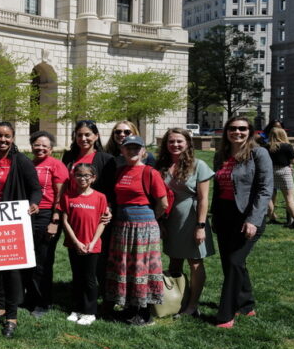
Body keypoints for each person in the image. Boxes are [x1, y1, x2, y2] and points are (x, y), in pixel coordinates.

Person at [0, 122, 41, 338]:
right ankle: (1, 305)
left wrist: (34, 203)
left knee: (11, 270)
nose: (2, 140)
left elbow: (35, 189)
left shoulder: (20, 161)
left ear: (12, 138)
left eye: (7, 136)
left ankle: (11, 316)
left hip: (12, 223)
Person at [211, 116, 273, 328]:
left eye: (242, 129)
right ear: (226, 132)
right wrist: (214, 217)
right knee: (231, 263)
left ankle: (226, 314)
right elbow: (217, 190)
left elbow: (265, 189)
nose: (237, 132)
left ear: (250, 131)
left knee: (236, 262)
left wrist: (253, 220)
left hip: (248, 216)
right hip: (224, 215)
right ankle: (246, 305)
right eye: (232, 128)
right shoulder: (221, 155)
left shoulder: (259, 154)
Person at [104, 135, 168, 327]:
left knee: (143, 269)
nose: (132, 151)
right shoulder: (120, 171)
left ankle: (145, 312)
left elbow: (163, 203)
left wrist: (148, 220)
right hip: (122, 226)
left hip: (144, 227)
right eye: (128, 148)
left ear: (142, 151)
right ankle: (130, 308)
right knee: (127, 267)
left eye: (136, 148)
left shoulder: (150, 172)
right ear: (122, 151)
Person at [155, 128, 215, 317]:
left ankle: (192, 304)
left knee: (195, 262)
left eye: (179, 141)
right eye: (171, 141)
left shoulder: (199, 165)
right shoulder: (161, 165)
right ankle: (176, 300)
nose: (175, 145)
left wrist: (200, 226)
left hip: (192, 219)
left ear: (188, 143)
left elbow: (204, 198)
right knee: (174, 262)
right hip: (170, 220)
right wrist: (161, 223)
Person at [58, 120, 115, 288]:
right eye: (79, 135)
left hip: (96, 214)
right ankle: (80, 292)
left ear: (96, 136)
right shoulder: (69, 156)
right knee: (76, 253)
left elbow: (110, 187)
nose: (83, 138)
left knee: (97, 257)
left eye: (87, 134)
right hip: (74, 212)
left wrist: (109, 208)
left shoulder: (105, 159)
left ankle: (100, 293)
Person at [25, 131, 69, 318]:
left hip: (47, 214)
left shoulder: (56, 165)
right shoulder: (29, 164)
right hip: (28, 214)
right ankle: (31, 297)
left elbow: (61, 194)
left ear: (51, 149)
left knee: (43, 260)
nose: (40, 148)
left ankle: (43, 302)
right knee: (29, 259)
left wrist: (55, 220)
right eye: (37, 144)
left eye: (45, 145)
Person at [60, 164, 108, 326]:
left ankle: (89, 311)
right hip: (75, 244)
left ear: (93, 178)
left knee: (89, 279)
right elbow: (65, 220)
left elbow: (102, 222)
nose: (83, 178)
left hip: (91, 245)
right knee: (77, 277)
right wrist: (76, 241)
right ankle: (77, 308)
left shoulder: (100, 197)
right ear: (74, 177)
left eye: (87, 175)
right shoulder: (68, 196)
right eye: (79, 175)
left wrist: (92, 242)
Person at [264, 127, 294, 228]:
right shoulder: (287, 146)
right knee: (289, 199)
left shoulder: (266, 147)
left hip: (269, 172)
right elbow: (293, 161)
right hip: (284, 172)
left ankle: (272, 217)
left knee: (269, 198)